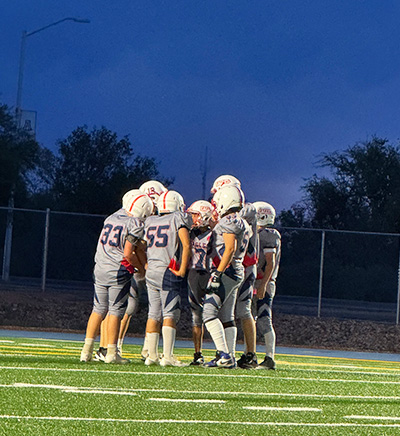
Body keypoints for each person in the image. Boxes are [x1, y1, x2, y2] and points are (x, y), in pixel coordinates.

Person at [80, 189, 153, 364]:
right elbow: (128, 253)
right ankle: (112, 352)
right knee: (115, 311)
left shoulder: (111, 218)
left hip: (100, 267)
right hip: (117, 269)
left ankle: (86, 351)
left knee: (98, 309)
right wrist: (140, 269)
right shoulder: (134, 223)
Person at [211, 175, 259, 369]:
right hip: (238, 262)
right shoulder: (241, 211)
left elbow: (231, 240)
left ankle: (249, 354)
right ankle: (226, 352)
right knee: (228, 310)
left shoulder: (243, 212)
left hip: (242, 263)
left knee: (242, 310)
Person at [203, 185, 251, 368]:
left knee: (208, 312)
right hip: (237, 269)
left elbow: (229, 248)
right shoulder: (242, 221)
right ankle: (228, 354)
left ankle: (225, 355)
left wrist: (218, 272)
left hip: (228, 270)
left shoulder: (229, 221)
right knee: (226, 315)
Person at [143, 190, 191, 367]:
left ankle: (152, 355)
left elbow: (140, 244)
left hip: (152, 270)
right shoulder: (177, 218)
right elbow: (186, 245)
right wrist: (182, 269)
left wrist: (146, 264)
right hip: (167, 270)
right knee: (170, 313)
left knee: (153, 313)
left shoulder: (150, 220)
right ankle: (168, 356)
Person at [253, 201, 281, 370]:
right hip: (258, 281)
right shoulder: (260, 233)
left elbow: (269, 263)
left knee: (264, 319)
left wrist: (263, 285)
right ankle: (251, 355)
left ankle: (270, 358)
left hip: (264, 281)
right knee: (251, 318)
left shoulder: (268, 234)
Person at [186, 200, 214, 365]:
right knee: (196, 315)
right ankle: (198, 353)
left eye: (196, 214)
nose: (193, 218)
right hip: (195, 274)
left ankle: (222, 351)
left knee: (214, 314)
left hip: (210, 274)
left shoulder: (216, 233)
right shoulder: (190, 233)